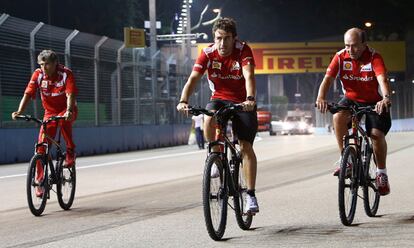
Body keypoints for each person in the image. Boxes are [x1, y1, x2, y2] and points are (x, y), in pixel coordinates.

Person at [176, 17, 259, 214]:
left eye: (227, 38)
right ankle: (215, 154)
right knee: (208, 115)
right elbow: (193, 79)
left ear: (234, 38)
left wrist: (249, 99)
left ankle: (251, 196)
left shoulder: (243, 50)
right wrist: (183, 100)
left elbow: (249, 75)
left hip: (242, 102)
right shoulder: (208, 53)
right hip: (219, 98)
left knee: (246, 146)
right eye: (218, 38)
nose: (222, 43)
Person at [316, 28, 392, 195]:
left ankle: (381, 173)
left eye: (355, 46)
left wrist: (385, 98)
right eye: (347, 46)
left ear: (364, 44)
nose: (350, 50)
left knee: (376, 136)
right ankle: (347, 160)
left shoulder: (374, 57)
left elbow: (382, 79)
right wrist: (320, 97)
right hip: (351, 99)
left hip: (375, 101)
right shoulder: (340, 57)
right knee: (338, 117)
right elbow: (328, 79)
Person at [12, 49, 78, 196]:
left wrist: (68, 110)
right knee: (41, 146)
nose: (44, 67)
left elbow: (70, 94)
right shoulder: (38, 74)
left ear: (55, 63)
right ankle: (40, 182)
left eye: (47, 64)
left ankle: (70, 151)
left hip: (67, 109)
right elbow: (28, 93)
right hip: (49, 112)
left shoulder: (66, 73)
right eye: (41, 64)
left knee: (64, 122)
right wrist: (19, 111)